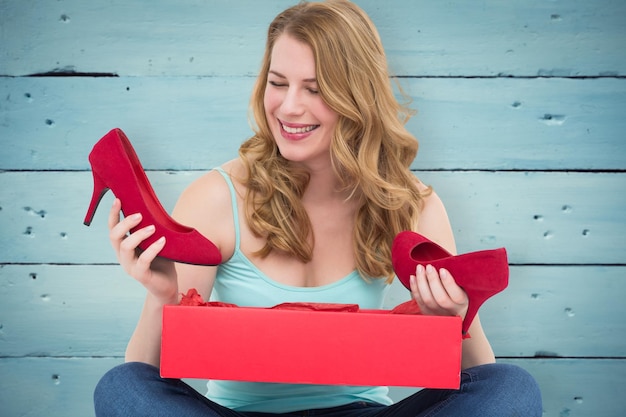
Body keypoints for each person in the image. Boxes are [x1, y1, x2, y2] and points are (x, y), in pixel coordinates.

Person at [93, 1, 542, 416]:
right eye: (277, 83)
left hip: (361, 411)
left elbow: (481, 378)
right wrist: (163, 297)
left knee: (511, 387)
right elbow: (145, 380)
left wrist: (456, 319)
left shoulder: (411, 204)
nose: (289, 107)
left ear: (357, 96)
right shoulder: (218, 195)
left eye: (315, 89)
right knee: (121, 386)